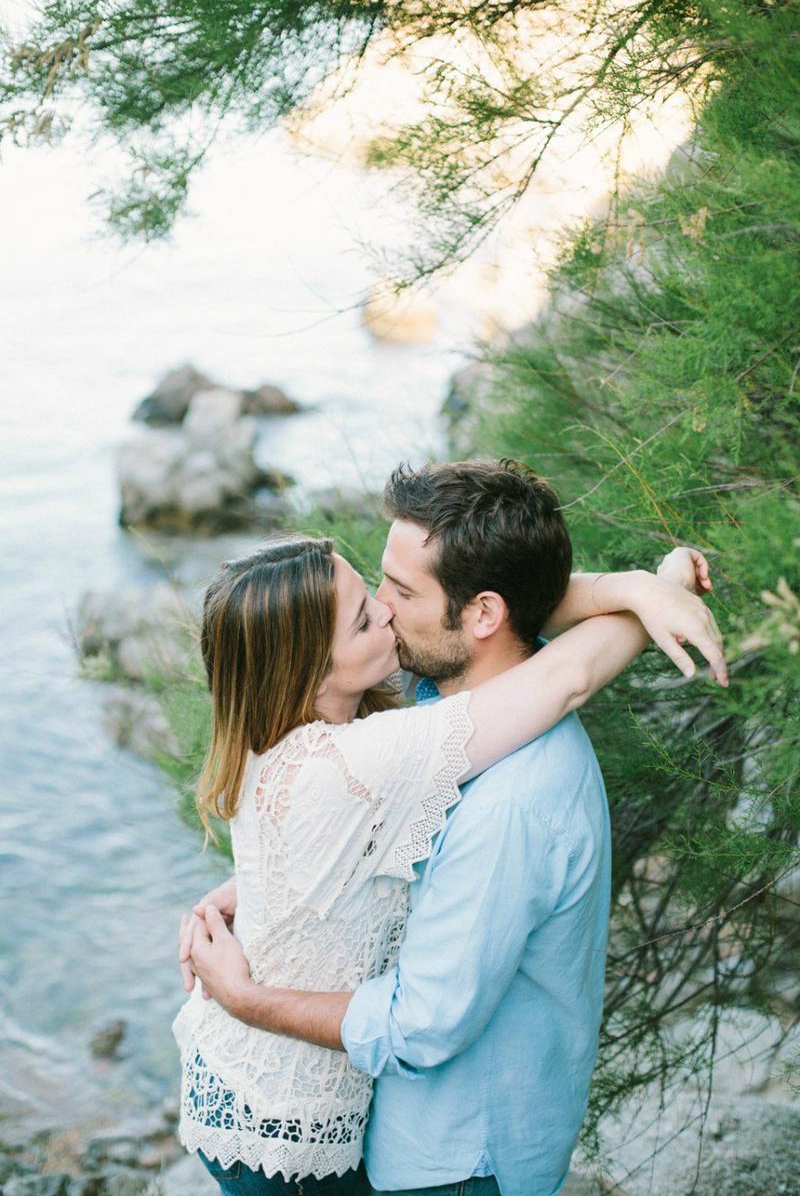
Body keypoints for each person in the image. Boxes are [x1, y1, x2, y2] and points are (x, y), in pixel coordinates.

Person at [177, 460, 726, 1196]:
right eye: (372, 601)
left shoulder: (509, 797)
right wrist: (640, 589)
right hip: (317, 1124)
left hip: (459, 1160)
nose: (384, 609)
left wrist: (644, 587)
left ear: (481, 616)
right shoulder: (408, 706)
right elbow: (547, 651)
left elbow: (421, 1024)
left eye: (397, 594)